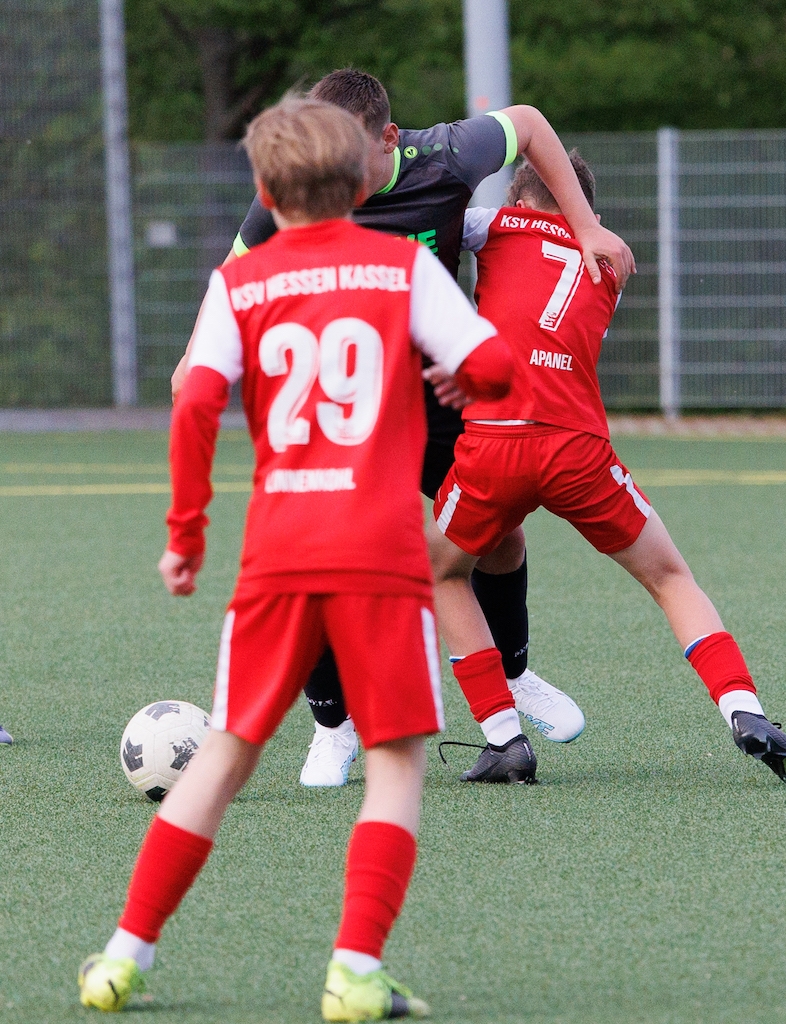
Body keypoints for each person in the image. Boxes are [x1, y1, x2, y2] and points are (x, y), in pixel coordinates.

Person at [78, 96, 513, 1020]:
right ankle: (354, 971)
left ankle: (121, 958)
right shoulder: (404, 267)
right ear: (360, 181)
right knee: (396, 765)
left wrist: (186, 535)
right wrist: (459, 373)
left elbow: (196, 400)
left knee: (224, 755)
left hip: (278, 555)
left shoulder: (239, 283)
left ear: (266, 194)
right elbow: (495, 370)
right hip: (380, 555)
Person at [172, 69, 635, 787]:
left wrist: (586, 226)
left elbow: (531, 124)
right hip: (354, 403)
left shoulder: (447, 156)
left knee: (498, 534)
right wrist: (194, 357)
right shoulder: (300, 190)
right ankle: (334, 727)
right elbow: (232, 270)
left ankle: (512, 676)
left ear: (387, 139)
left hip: (438, 393)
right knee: (323, 553)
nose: (333, 172)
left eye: (347, 155)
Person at [428, 153, 786, 785]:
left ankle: (503, 739)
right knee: (670, 577)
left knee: (444, 573)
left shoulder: (494, 224)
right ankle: (743, 709)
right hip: (578, 447)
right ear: (588, 214)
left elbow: (428, 216)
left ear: (520, 202)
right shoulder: (612, 261)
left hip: (497, 441)